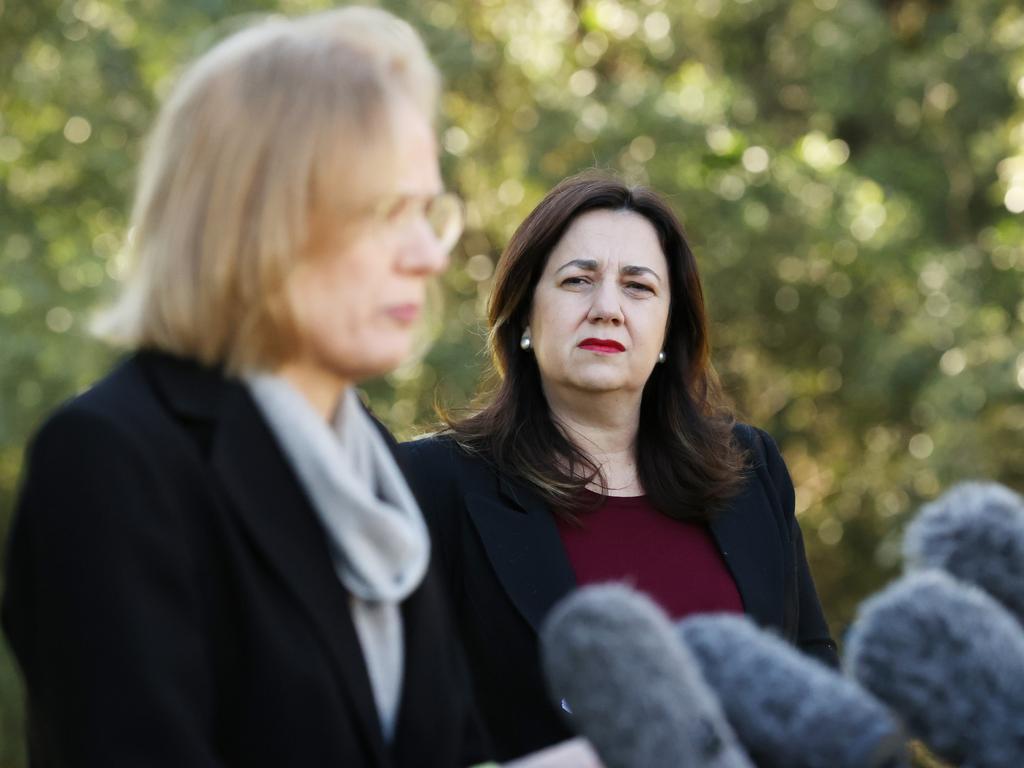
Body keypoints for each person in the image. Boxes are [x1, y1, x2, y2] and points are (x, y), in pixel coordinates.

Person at [1, 8, 490, 766]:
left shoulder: (376, 473)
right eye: (387, 211)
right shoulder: (110, 463)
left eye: (429, 212)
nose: (428, 254)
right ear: (259, 220)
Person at [398, 173, 839, 760]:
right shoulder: (432, 483)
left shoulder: (751, 468)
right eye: (578, 281)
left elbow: (818, 691)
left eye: (639, 287)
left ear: (668, 329)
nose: (606, 309)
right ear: (525, 314)